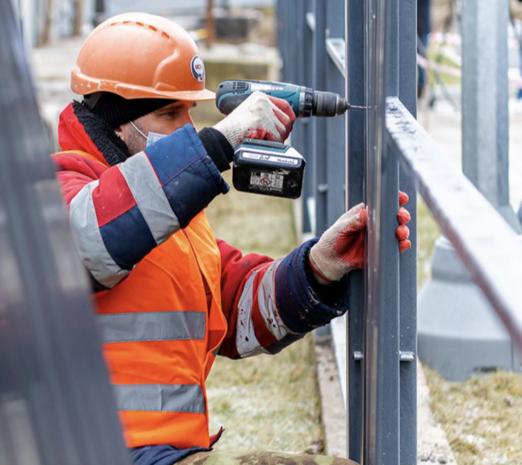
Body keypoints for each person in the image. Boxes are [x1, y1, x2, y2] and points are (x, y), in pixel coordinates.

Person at [52, 13, 411, 465]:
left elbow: (235, 307)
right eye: (168, 112)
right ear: (116, 121)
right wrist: (216, 145)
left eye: (190, 111)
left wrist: (320, 266)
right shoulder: (56, 191)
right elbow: (87, 245)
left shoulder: (168, 212)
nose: (186, 126)